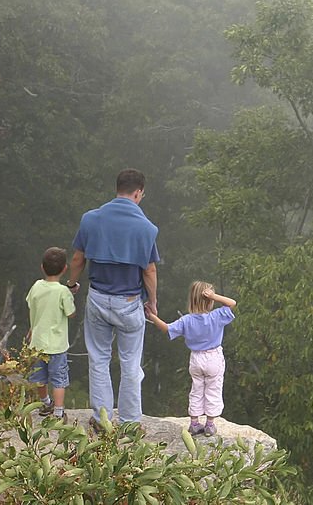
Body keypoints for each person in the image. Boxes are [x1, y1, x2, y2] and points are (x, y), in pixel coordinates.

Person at [68, 168, 159, 431]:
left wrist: (72, 284)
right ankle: (131, 423)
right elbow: (149, 270)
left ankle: (101, 420)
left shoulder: (91, 219)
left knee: (98, 359)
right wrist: (152, 301)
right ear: (138, 192)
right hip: (129, 302)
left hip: (97, 298)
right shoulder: (146, 228)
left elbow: (77, 259)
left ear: (117, 188)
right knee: (130, 363)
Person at [147, 281, 235, 437]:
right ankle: (209, 424)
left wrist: (152, 316)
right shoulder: (216, 316)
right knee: (213, 389)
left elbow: (167, 329)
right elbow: (232, 303)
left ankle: (194, 423)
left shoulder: (186, 320)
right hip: (213, 357)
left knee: (197, 389)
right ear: (210, 300)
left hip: (196, 358)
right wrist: (214, 295)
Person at [25, 247, 76, 419]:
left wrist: (33, 327)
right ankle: (59, 412)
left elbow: (32, 305)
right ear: (64, 269)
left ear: (42, 267)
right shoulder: (62, 291)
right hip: (57, 346)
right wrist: (71, 294)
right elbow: (71, 313)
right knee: (59, 379)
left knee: (40, 377)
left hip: (37, 343)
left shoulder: (36, 286)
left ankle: (45, 403)